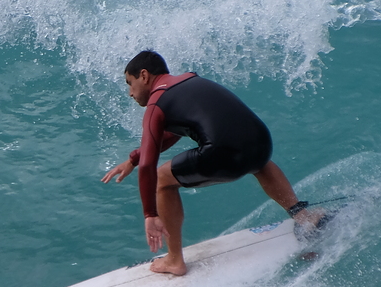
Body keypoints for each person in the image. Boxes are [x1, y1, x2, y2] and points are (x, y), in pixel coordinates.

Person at [101, 50, 323, 275]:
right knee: (258, 162)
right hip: (261, 142)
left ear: (145, 76)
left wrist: (150, 215)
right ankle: (302, 216)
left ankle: (174, 260)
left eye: (130, 83)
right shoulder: (190, 80)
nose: (130, 92)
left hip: (223, 154)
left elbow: (149, 164)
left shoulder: (156, 104)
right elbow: (175, 133)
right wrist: (132, 159)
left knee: (161, 179)